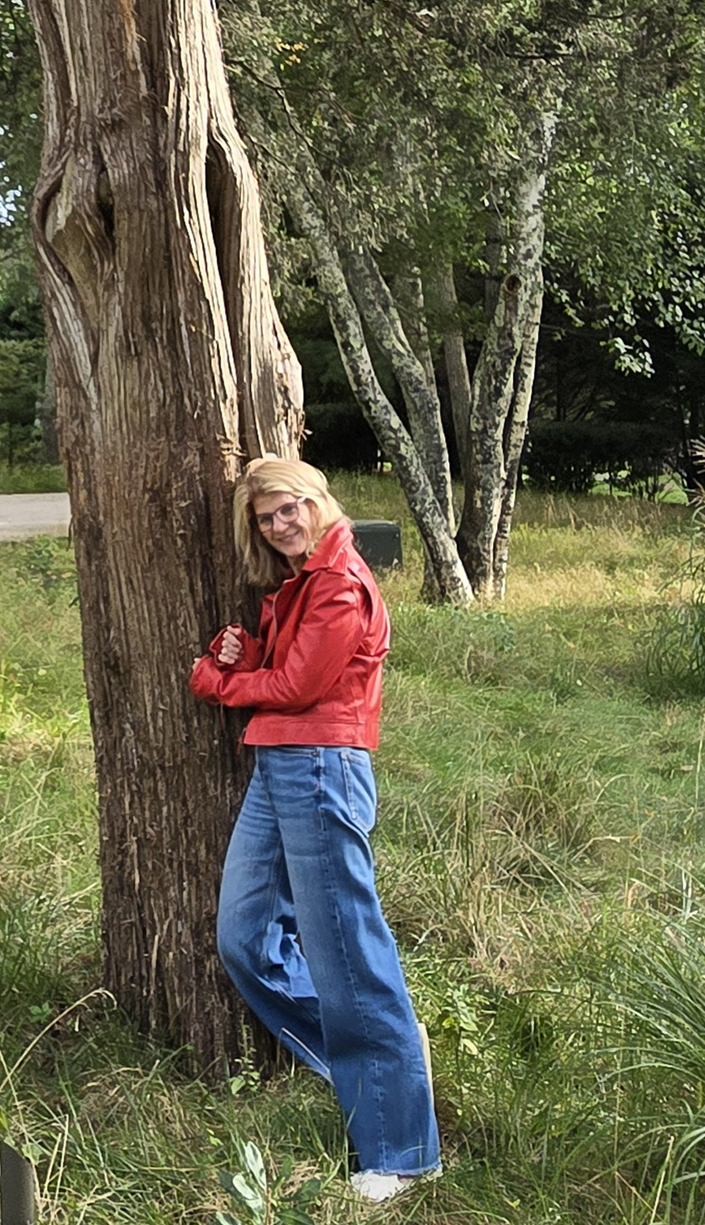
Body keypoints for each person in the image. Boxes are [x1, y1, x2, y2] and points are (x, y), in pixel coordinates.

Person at [189, 455, 440, 1205]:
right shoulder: (300, 582)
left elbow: (300, 687)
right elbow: (288, 668)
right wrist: (246, 653)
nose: (279, 524)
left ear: (318, 500)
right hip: (280, 764)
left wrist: (218, 680)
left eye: (289, 507)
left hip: (321, 766)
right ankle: (389, 1061)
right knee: (244, 936)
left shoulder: (337, 583)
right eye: (266, 517)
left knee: (346, 953)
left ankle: (402, 1149)